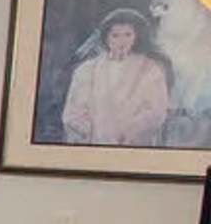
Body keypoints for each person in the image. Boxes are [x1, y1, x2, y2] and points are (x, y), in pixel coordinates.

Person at [62, 8, 173, 146]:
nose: (122, 41)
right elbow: (74, 110)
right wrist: (89, 132)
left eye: (128, 35)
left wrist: (129, 133)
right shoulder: (87, 70)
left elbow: (156, 110)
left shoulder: (150, 69)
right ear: (106, 37)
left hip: (134, 146)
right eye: (115, 35)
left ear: (136, 36)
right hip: (95, 144)